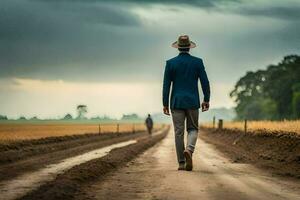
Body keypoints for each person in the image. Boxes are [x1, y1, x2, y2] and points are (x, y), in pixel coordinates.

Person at [162, 35, 210, 171]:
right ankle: (189, 149)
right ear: (189, 46)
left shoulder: (170, 63)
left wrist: (165, 103)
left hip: (176, 102)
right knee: (193, 129)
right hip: (193, 101)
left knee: (178, 132)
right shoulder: (198, 62)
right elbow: (205, 82)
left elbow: (166, 86)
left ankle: (181, 163)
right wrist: (206, 99)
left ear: (178, 47)